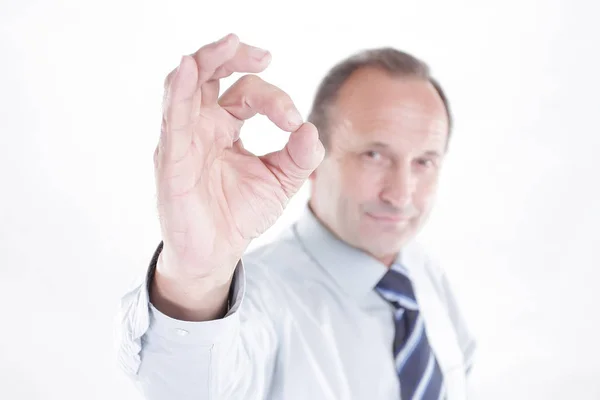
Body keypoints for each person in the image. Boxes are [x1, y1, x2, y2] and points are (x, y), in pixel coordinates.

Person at [116, 33, 476, 400]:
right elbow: (189, 386)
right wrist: (195, 280)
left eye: (424, 161)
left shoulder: (424, 273)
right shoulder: (259, 301)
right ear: (316, 157)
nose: (401, 194)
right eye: (374, 155)